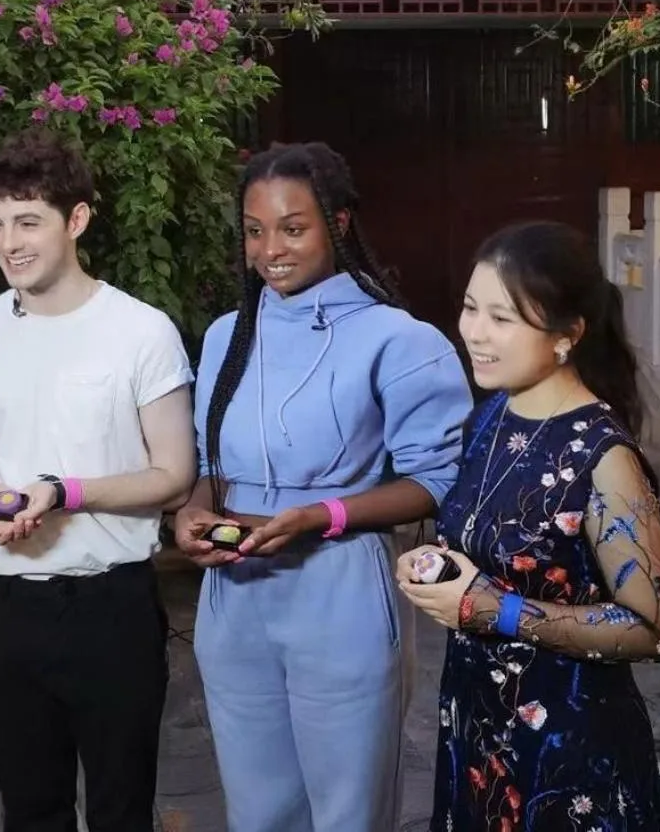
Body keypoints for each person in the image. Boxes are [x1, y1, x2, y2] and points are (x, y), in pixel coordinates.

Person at [172, 141, 473, 832]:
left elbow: (436, 481)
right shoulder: (227, 336)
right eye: (254, 231)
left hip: (340, 589)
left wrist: (317, 516)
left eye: (293, 228)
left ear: (337, 224)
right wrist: (193, 509)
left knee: (348, 812)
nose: (269, 249)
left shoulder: (398, 339)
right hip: (234, 599)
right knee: (258, 812)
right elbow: (215, 462)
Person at [0, 127, 196, 832]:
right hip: (6, 607)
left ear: (76, 220)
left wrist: (62, 493)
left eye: (28, 222)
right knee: (30, 810)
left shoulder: (140, 331)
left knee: (121, 811)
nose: (8, 242)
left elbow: (174, 476)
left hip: (110, 607)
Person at [396, 220, 660, 832]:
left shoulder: (604, 458)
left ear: (566, 336)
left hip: (569, 751)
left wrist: (495, 610)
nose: (474, 331)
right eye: (471, 307)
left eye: (502, 318)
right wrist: (434, 567)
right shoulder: (489, 418)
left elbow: (652, 628)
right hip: (478, 730)